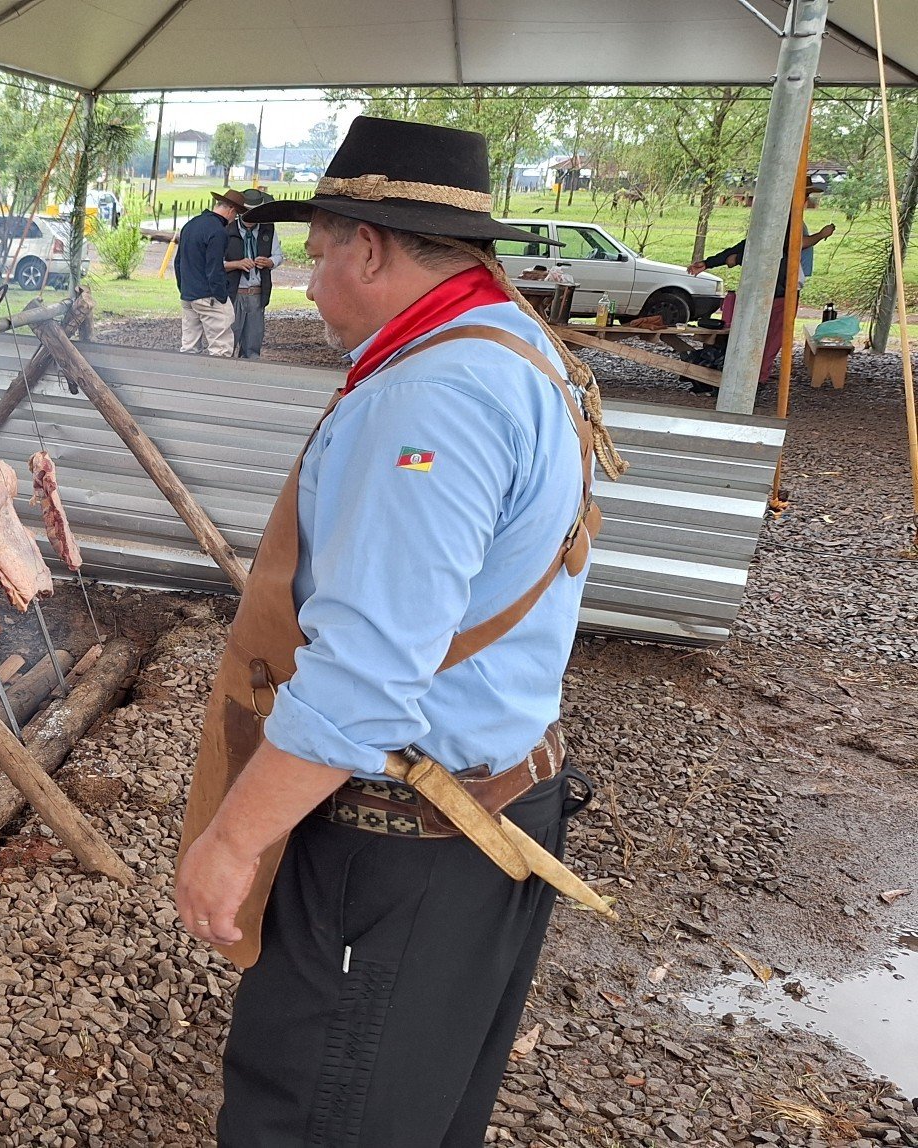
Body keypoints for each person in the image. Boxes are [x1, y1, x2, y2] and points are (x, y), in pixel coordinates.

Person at [173, 114, 626, 1148]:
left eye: (319, 252)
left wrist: (235, 839)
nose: (307, 279)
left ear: (369, 247)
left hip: (398, 850)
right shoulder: (514, 346)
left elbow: (367, 676)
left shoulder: (428, 394)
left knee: (314, 1116)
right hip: (490, 815)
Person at [688, 210, 836, 393]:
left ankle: (756, 380)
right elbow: (748, 246)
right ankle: (743, 378)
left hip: (782, 293)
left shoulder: (790, 222)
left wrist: (821, 235)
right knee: (751, 336)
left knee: (772, 339)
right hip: (760, 292)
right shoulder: (770, 220)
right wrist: (710, 262)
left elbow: (793, 244)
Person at [176, 189, 241, 356]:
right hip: (208, 295)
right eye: (237, 214)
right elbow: (215, 268)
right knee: (221, 348)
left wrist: (184, 288)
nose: (235, 219)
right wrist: (221, 296)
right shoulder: (218, 231)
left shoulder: (191, 224)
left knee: (189, 347)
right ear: (231, 210)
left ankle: (187, 380)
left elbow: (178, 262)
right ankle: (218, 381)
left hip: (188, 294)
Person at [223, 189, 282, 359]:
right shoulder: (228, 229)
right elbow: (215, 263)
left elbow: (278, 255)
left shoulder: (267, 230)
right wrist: (237, 264)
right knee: (228, 342)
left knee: (253, 345)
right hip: (233, 294)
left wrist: (270, 262)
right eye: (246, 211)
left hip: (257, 294)